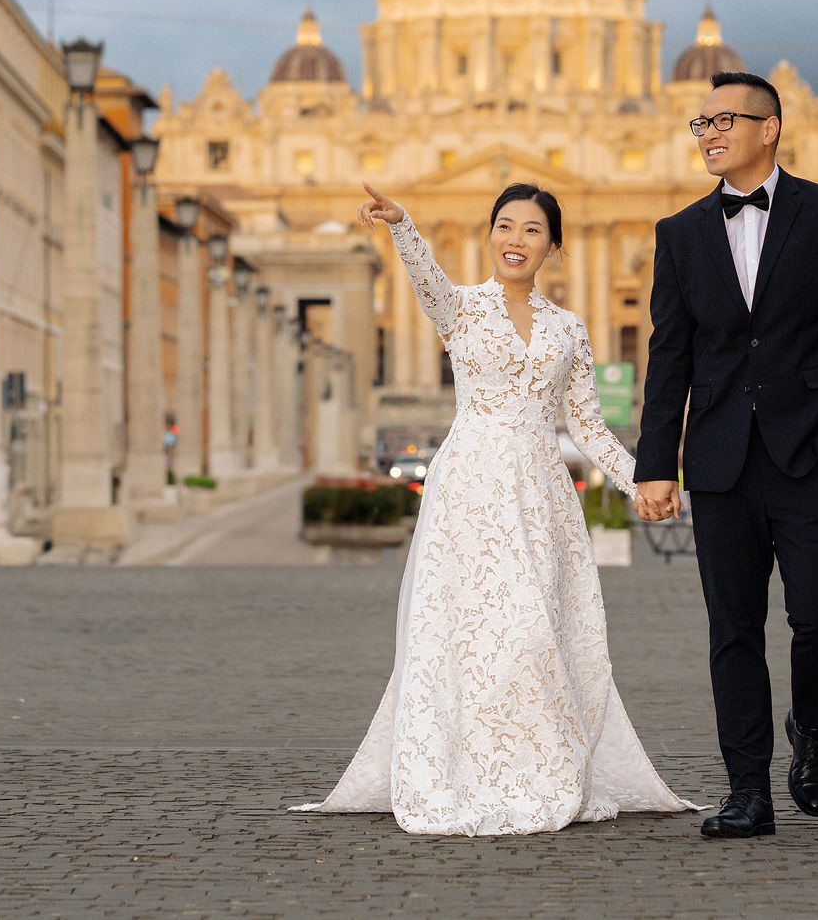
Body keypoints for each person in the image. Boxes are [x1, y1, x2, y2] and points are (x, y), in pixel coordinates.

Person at [294, 181, 698, 835]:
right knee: (474, 631)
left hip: (540, 492)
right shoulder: (460, 308)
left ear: (553, 245)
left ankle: (536, 765)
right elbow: (426, 281)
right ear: (490, 235)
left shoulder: (569, 328)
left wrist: (642, 479)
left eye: (532, 229)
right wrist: (403, 225)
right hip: (471, 487)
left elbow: (589, 426)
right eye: (505, 225)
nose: (516, 239)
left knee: (535, 630)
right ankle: (468, 768)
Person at [636, 70, 818, 839]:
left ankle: (813, 730)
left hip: (811, 454)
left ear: (768, 128)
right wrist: (654, 461)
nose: (707, 133)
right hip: (719, 461)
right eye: (700, 123)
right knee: (732, 627)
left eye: (722, 120)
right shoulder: (679, 233)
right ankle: (747, 790)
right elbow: (668, 354)